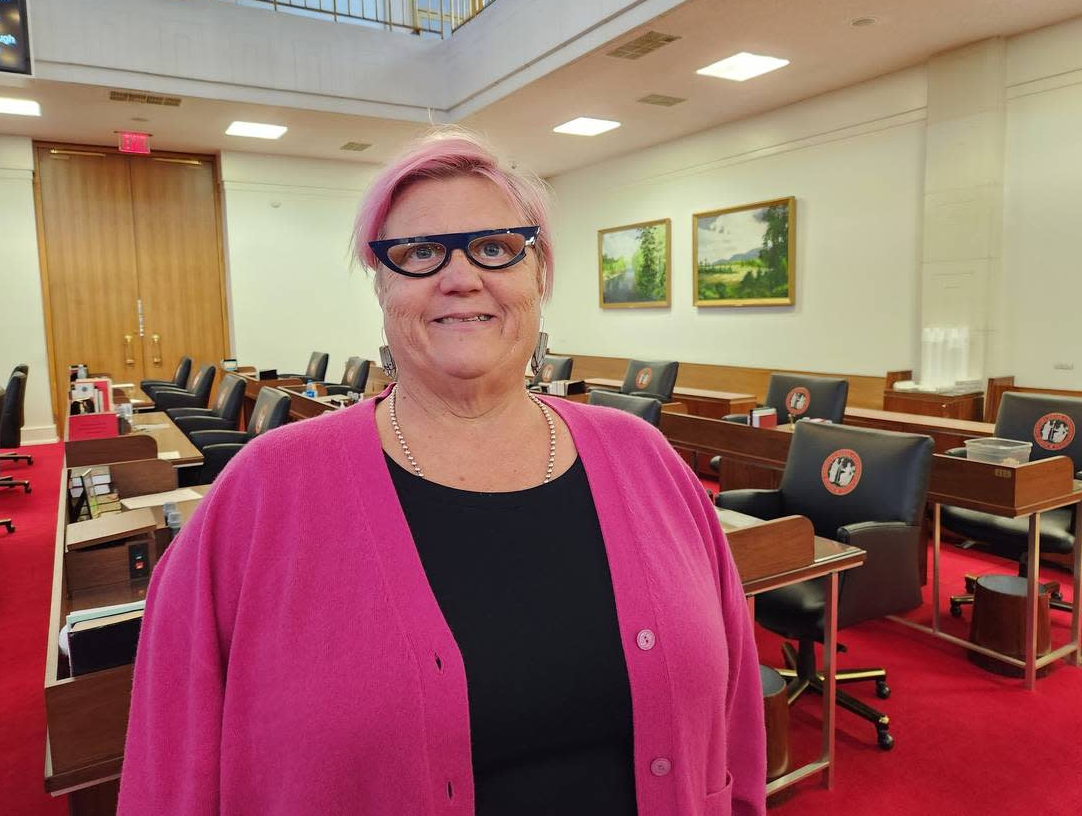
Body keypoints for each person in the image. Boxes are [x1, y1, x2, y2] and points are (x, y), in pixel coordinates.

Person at [117, 128, 766, 816]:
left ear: (539, 274)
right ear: (382, 283)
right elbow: (171, 769)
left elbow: (734, 725)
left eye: (495, 247)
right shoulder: (261, 494)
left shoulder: (647, 461)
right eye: (421, 252)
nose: (461, 277)